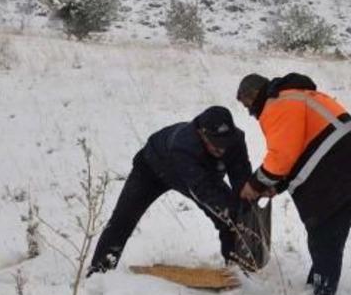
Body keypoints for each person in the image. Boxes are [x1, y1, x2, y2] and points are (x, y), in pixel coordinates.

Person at [236, 72, 351, 295]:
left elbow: (282, 157)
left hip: (344, 168)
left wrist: (254, 185)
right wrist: (276, 187)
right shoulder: (295, 97)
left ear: (255, 94)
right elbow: (298, 150)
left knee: (325, 233)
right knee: (328, 233)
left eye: (247, 104)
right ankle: (317, 285)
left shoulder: (277, 105)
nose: (250, 112)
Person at [87, 106, 251, 276]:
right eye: (216, 145)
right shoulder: (183, 146)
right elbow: (202, 190)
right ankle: (100, 272)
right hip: (152, 168)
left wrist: (245, 205)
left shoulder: (236, 140)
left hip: (199, 173)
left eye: (225, 144)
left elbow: (242, 180)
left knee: (231, 217)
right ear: (202, 134)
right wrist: (229, 209)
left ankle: (237, 269)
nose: (222, 150)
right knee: (123, 220)